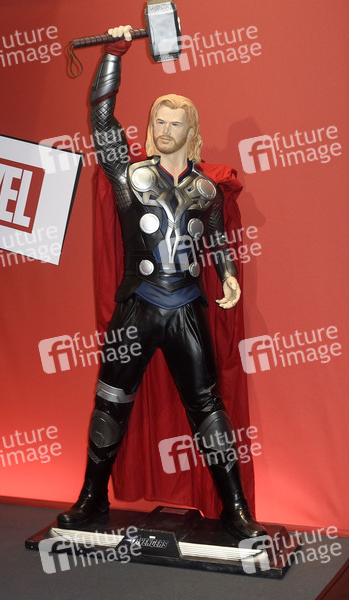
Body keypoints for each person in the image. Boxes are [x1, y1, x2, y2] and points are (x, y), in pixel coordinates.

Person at [57, 26, 264, 539]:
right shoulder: (128, 178)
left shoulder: (207, 188)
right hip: (137, 307)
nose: (165, 129)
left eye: (176, 122)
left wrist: (229, 275)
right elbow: (101, 120)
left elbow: (216, 238)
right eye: (159, 121)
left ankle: (235, 506)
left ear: (191, 130)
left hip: (188, 307)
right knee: (110, 405)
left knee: (209, 411)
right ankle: (91, 497)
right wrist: (113, 56)